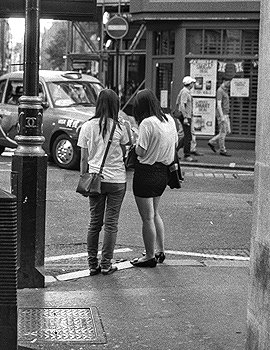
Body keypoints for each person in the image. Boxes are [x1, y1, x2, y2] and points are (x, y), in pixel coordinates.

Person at [77, 89, 131, 276]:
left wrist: (83, 177)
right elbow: (126, 150)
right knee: (111, 224)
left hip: (95, 180)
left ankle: (92, 264)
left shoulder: (87, 126)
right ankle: (106, 264)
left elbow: (83, 158)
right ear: (116, 105)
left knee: (94, 223)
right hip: (117, 180)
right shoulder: (120, 127)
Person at [129, 89, 179, 268]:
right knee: (155, 213)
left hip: (145, 173)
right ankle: (160, 251)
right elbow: (175, 144)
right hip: (163, 174)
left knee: (147, 218)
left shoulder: (146, 123)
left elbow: (141, 151)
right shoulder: (169, 119)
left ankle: (149, 256)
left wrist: (134, 143)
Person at [208, 77, 232, 157]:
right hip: (222, 114)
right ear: (224, 81)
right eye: (228, 82)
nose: (229, 84)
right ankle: (222, 150)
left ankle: (212, 141)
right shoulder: (220, 91)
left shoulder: (225, 90)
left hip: (226, 113)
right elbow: (218, 104)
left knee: (227, 131)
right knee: (223, 132)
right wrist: (222, 116)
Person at [174, 76, 197, 162]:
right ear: (189, 84)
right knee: (188, 137)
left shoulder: (184, 91)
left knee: (187, 136)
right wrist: (185, 117)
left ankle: (174, 152)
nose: (193, 84)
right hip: (186, 116)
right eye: (192, 83)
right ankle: (186, 155)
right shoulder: (185, 92)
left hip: (187, 116)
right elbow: (182, 105)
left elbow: (178, 103)